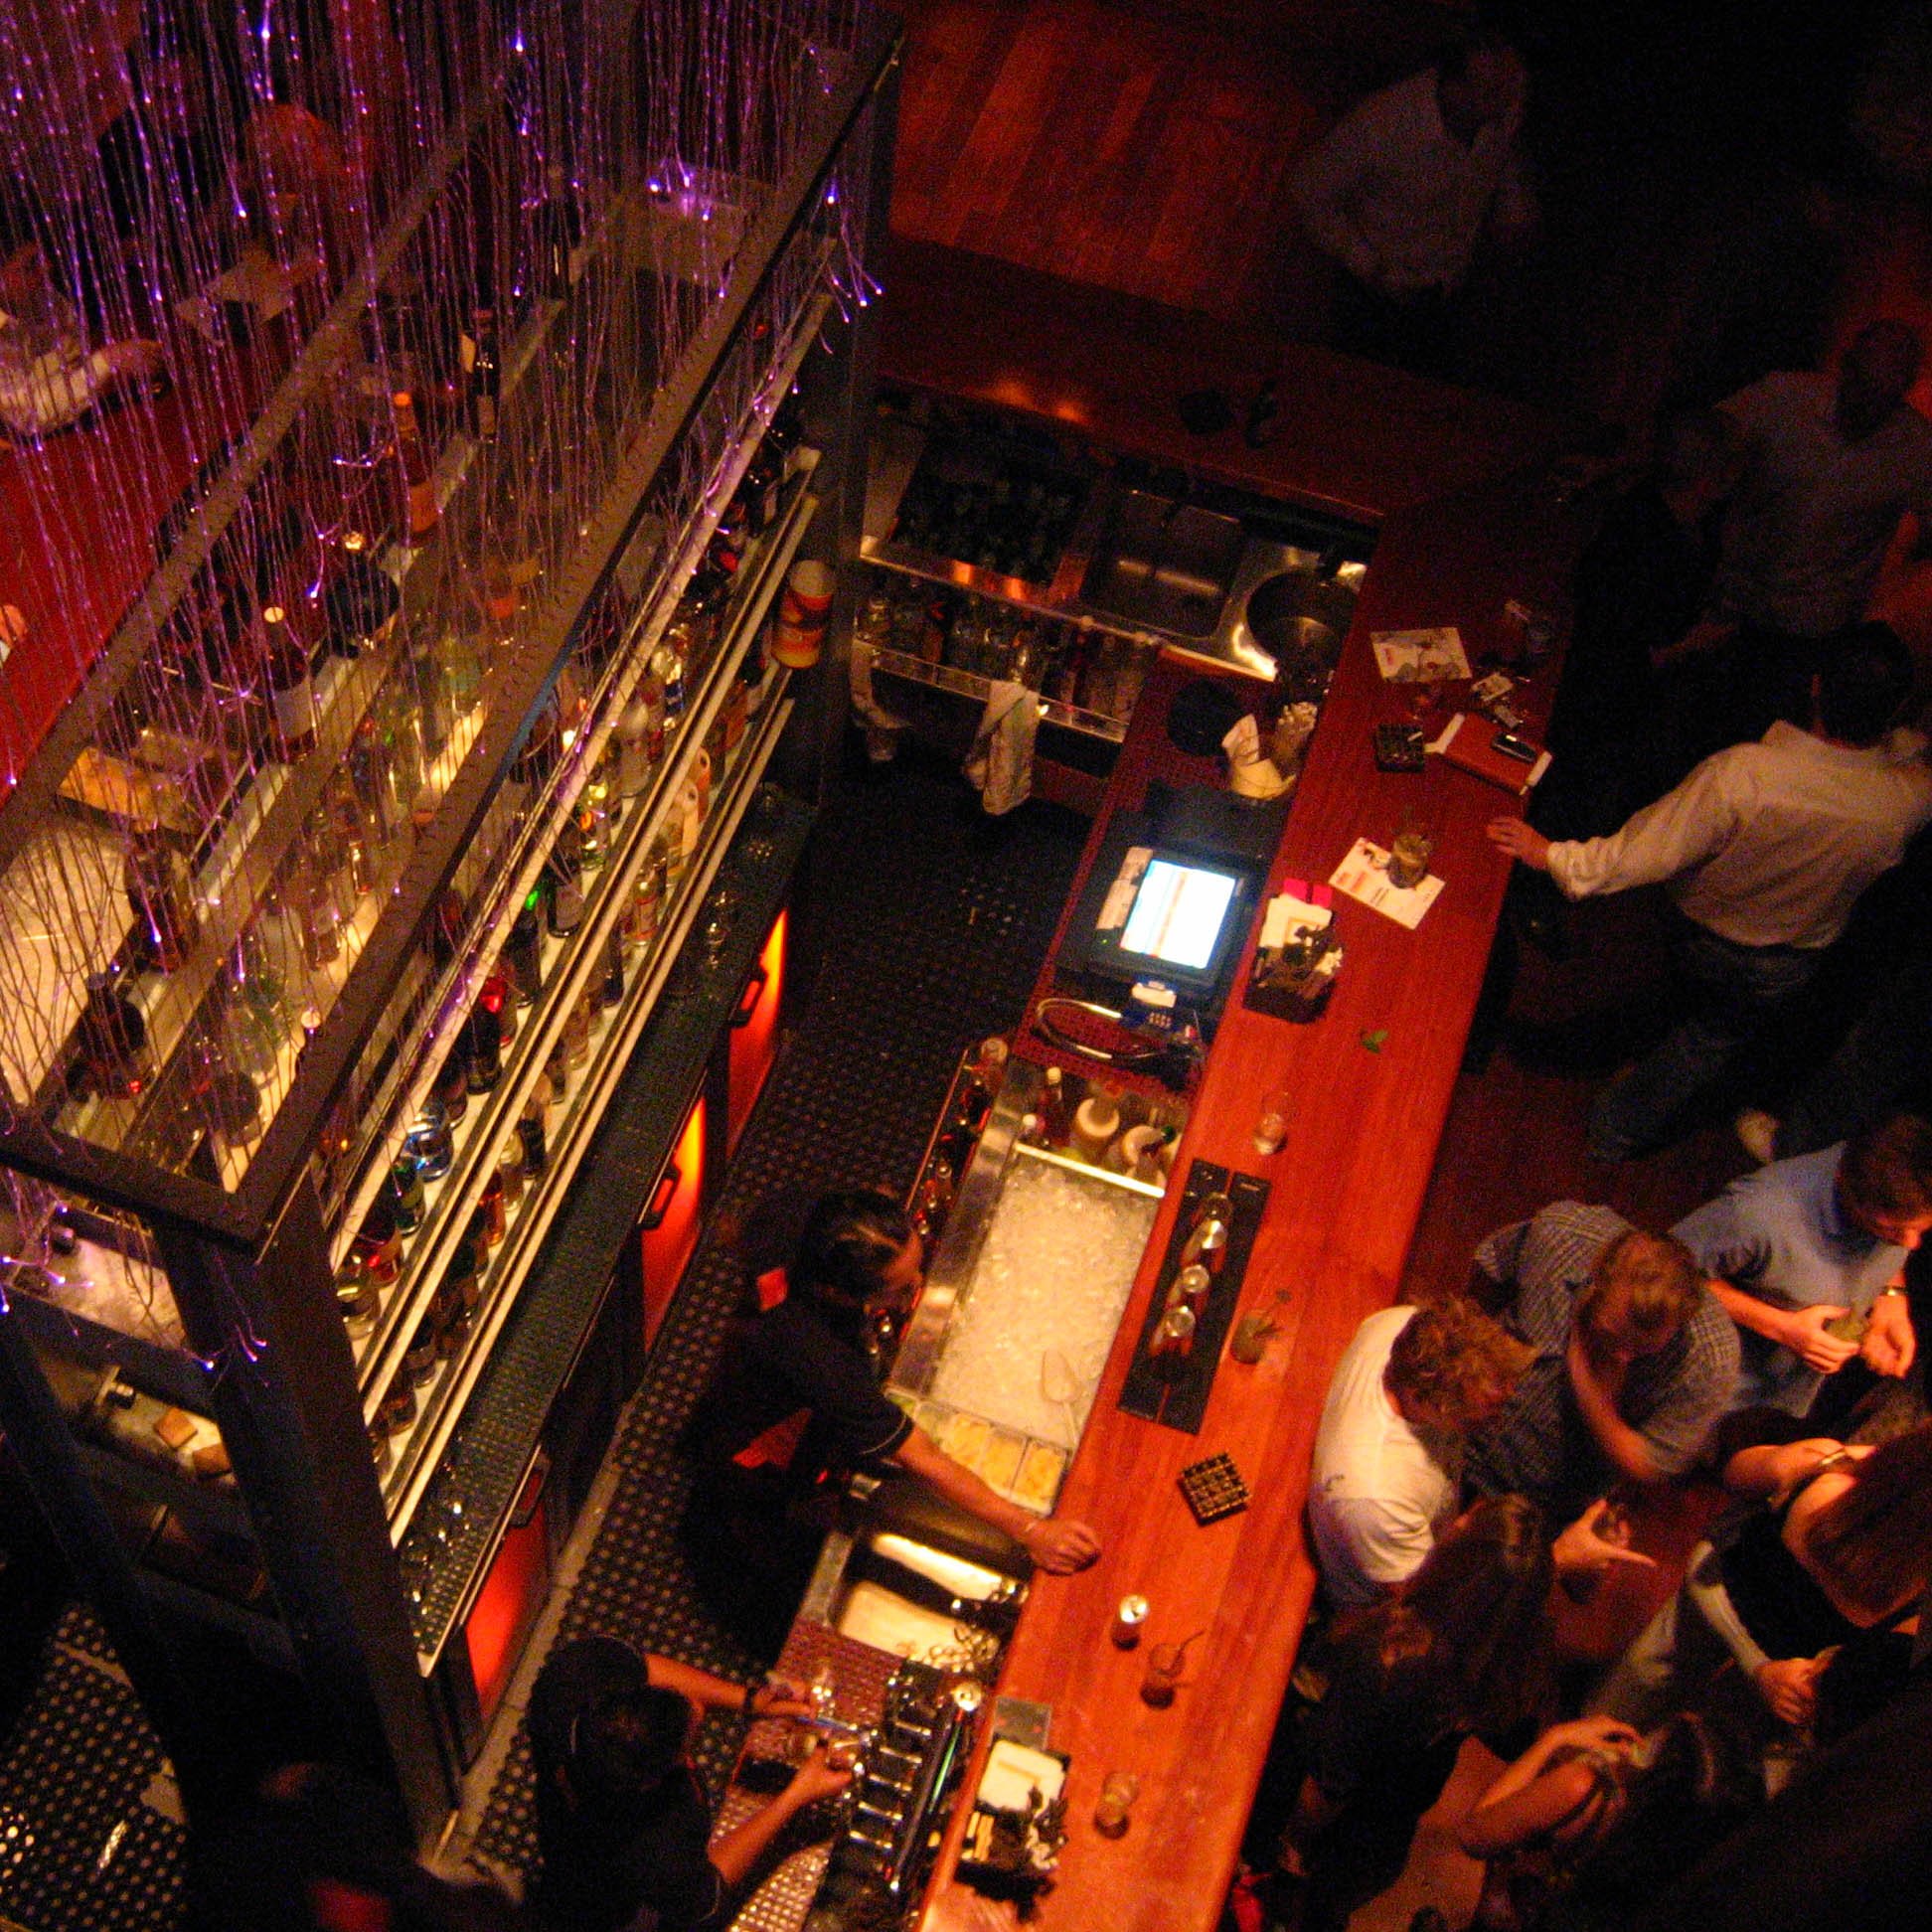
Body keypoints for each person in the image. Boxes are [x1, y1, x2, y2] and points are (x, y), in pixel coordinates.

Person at [1488, 623, 1932, 1161]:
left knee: (1690, 1018)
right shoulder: (1905, 800)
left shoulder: (1744, 774)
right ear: (1894, 713)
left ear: (1816, 685)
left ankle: (1615, 1115)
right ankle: (1615, 1134)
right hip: (1790, 961)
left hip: (1701, 935)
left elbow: (1643, 853)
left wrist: (1550, 853)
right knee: (1706, 1041)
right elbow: (1913, 760)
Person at [687, 1190, 1100, 1656]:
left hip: (761, 1355)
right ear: (839, 1293)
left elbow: (748, 1234)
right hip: (758, 1423)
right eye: (901, 1290)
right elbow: (921, 1457)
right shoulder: (823, 1362)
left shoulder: (801, 1213)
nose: (919, 1286)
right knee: (757, 1492)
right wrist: (1030, 1531)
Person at [1251, 1497, 1556, 1932]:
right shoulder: (1512, 1647)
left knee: (1308, 1906)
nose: (1457, 1517)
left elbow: (1327, 1785)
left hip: (1341, 1827)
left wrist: (1291, 1854)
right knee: (1342, 1896)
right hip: (1394, 1822)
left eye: (1466, 1523)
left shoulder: (1390, 1657)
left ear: (1458, 1563)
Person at [1591, 1422, 1932, 1740]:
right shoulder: (1916, 1586)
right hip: (1775, 1692)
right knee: (1699, 1750)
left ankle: (1571, 1764)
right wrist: (1762, 1670)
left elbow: (1734, 1473)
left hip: (1708, 1605)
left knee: (1640, 1683)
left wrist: (1800, 1460)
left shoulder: (1828, 1466)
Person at [1309, 1300, 1649, 1608]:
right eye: (1487, 1409)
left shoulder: (1401, 1324)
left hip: (1429, 1538)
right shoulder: (1376, 1495)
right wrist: (1559, 1559)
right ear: (1429, 1402)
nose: (1506, 1406)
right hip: (1377, 1611)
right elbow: (1427, 1603)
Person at [1700, 320, 1932, 737]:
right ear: (1846, 367)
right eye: (1863, 383)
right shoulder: (1786, 397)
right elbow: (1706, 441)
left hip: (1811, 634)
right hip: (1728, 601)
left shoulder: (1913, 449)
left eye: (1883, 394)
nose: (1866, 403)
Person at [526, 1634, 845, 1932]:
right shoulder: (656, 1849)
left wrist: (748, 1700)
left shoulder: (570, 1678)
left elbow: (643, 1667)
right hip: (607, 1897)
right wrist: (795, 1796)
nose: (697, 1707)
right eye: (686, 1743)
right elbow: (710, 1894)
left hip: (563, 1821)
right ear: (651, 1782)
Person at [1536, 409, 1746, 841]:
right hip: (1602, 698)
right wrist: (1700, 641)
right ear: (1707, 474)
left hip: (1627, 693)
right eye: (1727, 467)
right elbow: (1624, 647)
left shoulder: (1689, 517)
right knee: (1576, 800)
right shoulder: (1641, 539)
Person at [1462, 1207, 1736, 1522]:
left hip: (1544, 1497)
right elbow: (1490, 1274)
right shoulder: (1561, 1235)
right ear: (1596, 1280)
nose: (1624, 1356)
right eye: (1613, 1336)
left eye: (1644, 1349)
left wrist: (1585, 1375)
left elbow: (1649, 1463)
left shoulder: (1710, 1358)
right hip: (1462, 1434)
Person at [1289, 31, 1533, 377]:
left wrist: (1513, 206)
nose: (1512, 102)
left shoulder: (1499, 111)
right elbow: (1308, 189)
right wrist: (1369, 266)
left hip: (1451, 284)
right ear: (1454, 90)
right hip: (1378, 295)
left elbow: (1503, 156)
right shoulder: (1381, 127)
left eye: (1516, 86)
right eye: (1496, 92)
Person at [1674, 1114, 1930, 1417]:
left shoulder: (1897, 1184)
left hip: (1771, 1394)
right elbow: (1669, 1270)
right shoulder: (1755, 1212)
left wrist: (1891, 1297)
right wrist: (1781, 1327)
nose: (1911, 1244)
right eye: (1891, 1231)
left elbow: (1892, 1247)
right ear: (1843, 1185)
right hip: (1698, 1381)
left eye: (1922, 1230)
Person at [1456, 1710, 1758, 1932]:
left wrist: (1555, 1738)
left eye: (1651, 1747)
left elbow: (1474, 1835)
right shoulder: (1690, 1851)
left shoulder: (1583, 1791)